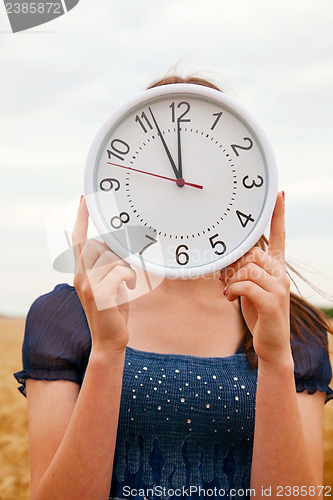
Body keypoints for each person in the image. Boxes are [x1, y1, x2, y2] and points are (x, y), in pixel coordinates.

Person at [15, 76, 333, 500]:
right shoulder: (69, 318)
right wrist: (107, 353)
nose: (181, 185)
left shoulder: (291, 329)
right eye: (158, 178)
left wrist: (276, 360)